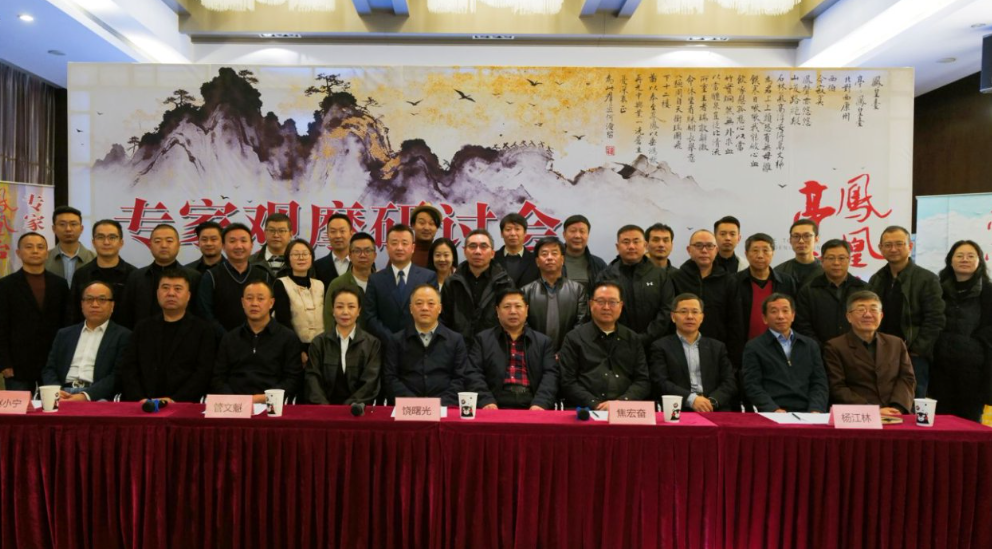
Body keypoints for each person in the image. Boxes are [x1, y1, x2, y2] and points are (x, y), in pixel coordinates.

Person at [867, 225, 945, 398]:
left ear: (910, 246)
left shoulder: (926, 279)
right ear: (880, 248)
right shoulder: (876, 279)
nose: (893, 249)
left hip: (913, 355)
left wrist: (917, 350)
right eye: (888, 245)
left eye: (899, 244)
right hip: (880, 354)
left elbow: (935, 319)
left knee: (911, 402)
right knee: (881, 401)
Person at [119, 268, 215, 402]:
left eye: (178, 289)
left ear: (188, 296)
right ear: (157, 293)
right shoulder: (142, 328)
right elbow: (129, 368)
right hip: (142, 404)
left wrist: (175, 400)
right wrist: (139, 398)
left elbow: (203, 373)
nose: (171, 293)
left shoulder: (203, 330)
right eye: (165, 288)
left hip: (183, 405)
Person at [558, 281, 651, 410]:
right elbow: (568, 381)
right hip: (585, 410)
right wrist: (595, 404)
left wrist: (622, 402)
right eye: (600, 301)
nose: (606, 307)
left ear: (621, 306)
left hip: (625, 411)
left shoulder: (632, 339)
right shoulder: (574, 338)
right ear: (591, 304)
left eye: (612, 302)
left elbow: (642, 381)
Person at [823, 291, 916, 415]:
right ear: (848, 317)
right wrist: (873, 410)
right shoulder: (835, 346)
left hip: (896, 413)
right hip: (858, 415)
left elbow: (907, 378)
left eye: (873, 310)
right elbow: (837, 387)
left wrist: (897, 407)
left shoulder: (896, 343)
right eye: (861, 310)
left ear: (881, 316)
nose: (867, 315)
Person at [930, 241, 992, 421]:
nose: (965, 259)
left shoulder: (988, 291)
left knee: (970, 424)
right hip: (940, 367)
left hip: (974, 370)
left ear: (979, 261)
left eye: (971, 256)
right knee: (940, 423)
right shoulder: (938, 289)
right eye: (959, 256)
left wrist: (975, 345)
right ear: (950, 260)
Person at [212, 281, 302, 403]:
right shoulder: (230, 338)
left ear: (271, 303)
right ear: (243, 303)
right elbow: (218, 378)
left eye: (260, 299)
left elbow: (293, 379)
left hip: (272, 404)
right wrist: (236, 400)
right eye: (249, 298)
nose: (254, 303)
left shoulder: (288, 338)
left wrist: (262, 398)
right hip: (235, 405)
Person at [0, 233, 69, 391]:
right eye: (29, 247)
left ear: (47, 253)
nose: (35, 251)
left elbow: (66, 323)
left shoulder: (60, 284)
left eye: (40, 247)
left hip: (53, 362)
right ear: (18, 253)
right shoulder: (5, 285)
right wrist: (4, 362)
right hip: (17, 363)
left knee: (54, 405)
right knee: (21, 407)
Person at [468, 289, 559, 410]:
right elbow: (473, 373)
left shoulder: (543, 342)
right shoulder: (482, 340)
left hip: (532, 403)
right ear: (497, 311)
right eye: (507, 306)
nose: (513, 311)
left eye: (518, 306)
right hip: (494, 403)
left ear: (526, 310)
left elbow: (551, 376)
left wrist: (540, 403)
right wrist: (486, 400)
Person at [383, 284, 472, 406]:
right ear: (411, 308)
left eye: (431, 303)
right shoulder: (396, 340)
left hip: (445, 407)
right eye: (419, 303)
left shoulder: (455, 340)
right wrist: (415, 404)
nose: (425, 308)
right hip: (407, 409)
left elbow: (460, 379)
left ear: (440, 308)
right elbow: (390, 378)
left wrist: (437, 405)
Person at [42, 281, 130, 402]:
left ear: (112, 306)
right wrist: (57, 391)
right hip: (62, 393)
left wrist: (85, 396)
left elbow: (117, 375)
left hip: (97, 396)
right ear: (82, 304)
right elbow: (49, 369)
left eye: (102, 299)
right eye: (89, 299)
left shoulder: (123, 336)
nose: (95, 304)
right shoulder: (64, 334)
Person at [741, 293, 828, 413]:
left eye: (785, 311)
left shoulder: (810, 345)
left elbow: (819, 383)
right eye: (774, 311)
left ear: (793, 316)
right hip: (773, 412)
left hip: (808, 411)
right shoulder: (754, 347)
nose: (780, 316)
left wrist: (816, 409)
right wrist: (773, 409)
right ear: (764, 318)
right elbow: (752, 385)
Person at [650, 293, 738, 412]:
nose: (690, 316)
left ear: (702, 317)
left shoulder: (717, 347)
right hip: (679, 408)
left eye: (695, 312)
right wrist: (691, 400)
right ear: (673, 316)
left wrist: (711, 402)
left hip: (713, 408)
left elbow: (729, 382)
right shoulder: (661, 346)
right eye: (683, 311)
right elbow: (660, 382)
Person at [598, 224, 674, 346]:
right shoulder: (606, 276)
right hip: (615, 344)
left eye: (636, 241)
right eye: (626, 242)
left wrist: (646, 337)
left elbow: (666, 310)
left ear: (645, 245)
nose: (631, 246)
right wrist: (620, 338)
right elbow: (600, 310)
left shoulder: (660, 276)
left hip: (655, 345)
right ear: (617, 247)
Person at [670, 230, 743, 355]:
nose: (704, 250)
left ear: (716, 250)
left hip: (718, 351)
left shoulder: (728, 281)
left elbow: (735, 323)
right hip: (680, 350)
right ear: (689, 250)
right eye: (698, 245)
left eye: (709, 246)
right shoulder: (675, 278)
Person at [305, 287, 381, 405]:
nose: (345, 312)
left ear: (359, 311)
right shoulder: (319, 343)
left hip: (357, 409)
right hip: (323, 409)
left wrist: (348, 408)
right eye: (340, 307)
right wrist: (324, 408)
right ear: (333, 310)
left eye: (351, 307)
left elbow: (370, 383)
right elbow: (312, 379)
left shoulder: (372, 344)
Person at [118, 224, 201, 329]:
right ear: (150, 245)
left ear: (178, 245)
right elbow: (125, 315)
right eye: (157, 241)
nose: (164, 245)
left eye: (169, 241)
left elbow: (199, 314)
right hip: (143, 336)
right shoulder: (136, 277)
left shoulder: (193, 277)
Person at [441, 229, 514, 347]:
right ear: (465, 251)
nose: (478, 251)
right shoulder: (452, 282)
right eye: (472, 246)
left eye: (483, 246)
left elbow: (510, 319)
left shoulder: (504, 283)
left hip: (493, 347)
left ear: (492, 253)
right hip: (458, 348)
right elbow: (444, 320)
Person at [198, 223, 272, 338]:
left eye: (243, 241)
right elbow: (206, 314)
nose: (238, 246)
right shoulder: (211, 276)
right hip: (220, 342)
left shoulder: (263, 276)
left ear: (251, 245)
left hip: (257, 341)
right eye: (232, 241)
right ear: (223, 246)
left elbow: (269, 311)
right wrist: (229, 339)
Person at [365, 224, 438, 341]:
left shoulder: (428, 277)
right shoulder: (375, 279)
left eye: (404, 243)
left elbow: (433, 312)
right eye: (394, 243)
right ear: (387, 247)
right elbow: (370, 317)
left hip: (418, 344)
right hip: (385, 345)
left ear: (413, 248)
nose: (399, 248)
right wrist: (391, 339)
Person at [794, 239, 868, 347]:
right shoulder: (808, 290)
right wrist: (822, 350)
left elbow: (870, 321)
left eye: (841, 258)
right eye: (831, 258)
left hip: (857, 351)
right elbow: (802, 326)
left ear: (849, 260)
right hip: (819, 352)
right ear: (822, 261)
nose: (836, 263)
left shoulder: (864, 289)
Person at [521, 237, 587, 351]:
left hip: (569, 353)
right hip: (535, 352)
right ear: (537, 261)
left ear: (562, 259)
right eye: (544, 254)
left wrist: (565, 351)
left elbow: (581, 324)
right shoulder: (526, 291)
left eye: (554, 253)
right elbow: (523, 325)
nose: (549, 257)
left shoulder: (578, 290)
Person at [68, 219, 136, 325]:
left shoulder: (134, 275)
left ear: (121, 243)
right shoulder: (81, 274)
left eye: (112, 237)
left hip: (125, 333)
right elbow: (73, 313)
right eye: (100, 237)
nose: (106, 242)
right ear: (93, 242)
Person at [736, 233, 797, 342]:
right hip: (744, 345)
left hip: (780, 344)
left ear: (773, 253)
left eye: (765, 250)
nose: (760, 255)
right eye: (755, 250)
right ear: (746, 254)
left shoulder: (786, 281)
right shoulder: (734, 281)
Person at [273, 239, 324, 361]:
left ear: (311, 258)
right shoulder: (281, 284)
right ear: (288, 259)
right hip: (293, 348)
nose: (301, 258)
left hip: (321, 347)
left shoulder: (320, 285)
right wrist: (299, 350)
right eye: (296, 254)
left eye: (305, 254)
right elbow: (283, 320)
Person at [323, 232, 376, 330]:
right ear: (350, 256)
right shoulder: (337, 284)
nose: (363, 255)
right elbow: (329, 319)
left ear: (375, 255)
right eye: (357, 251)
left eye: (368, 251)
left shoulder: (382, 282)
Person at [45, 205, 95, 286]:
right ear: (54, 229)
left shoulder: (94, 259)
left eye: (73, 224)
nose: (68, 229)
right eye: (62, 224)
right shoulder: (44, 259)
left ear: (81, 228)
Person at [493, 213, 540, 288]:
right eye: (508, 229)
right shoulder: (492, 259)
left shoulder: (536, 260)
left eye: (517, 229)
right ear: (501, 233)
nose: (513, 233)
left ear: (525, 233)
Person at [774, 218, 824, 289]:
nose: (801, 241)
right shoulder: (779, 272)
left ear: (816, 239)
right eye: (796, 236)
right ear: (790, 240)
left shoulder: (826, 271)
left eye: (807, 236)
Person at [561, 214, 607, 288]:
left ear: (588, 235)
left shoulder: (598, 264)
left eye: (582, 231)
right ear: (564, 234)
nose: (577, 236)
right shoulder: (552, 262)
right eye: (573, 231)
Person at [313, 213, 353, 288]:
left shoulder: (362, 263)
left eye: (342, 231)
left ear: (351, 233)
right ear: (328, 234)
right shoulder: (317, 266)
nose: (338, 236)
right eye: (333, 231)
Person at [250, 212, 293, 277]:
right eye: (271, 230)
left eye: (281, 231)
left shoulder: (300, 262)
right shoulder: (251, 262)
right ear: (265, 233)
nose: (276, 235)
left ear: (290, 234)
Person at [410, 204, 441, 268]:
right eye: (421, 223)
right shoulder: (404, 251)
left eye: (431, 223)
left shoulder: (441, 255)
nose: (426, 228)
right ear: (413, 225)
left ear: (437, 228)